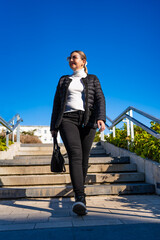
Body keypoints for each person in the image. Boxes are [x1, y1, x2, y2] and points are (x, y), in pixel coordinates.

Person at [50, 50, 106, 216]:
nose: (71, 60)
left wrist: (101, 118)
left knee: (83, 158)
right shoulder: (63, 80)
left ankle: (81, 197)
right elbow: (56, 104)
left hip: (88, 120)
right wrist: (53, 126)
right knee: (75, 154)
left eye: (74, 57)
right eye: (70, 58)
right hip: (67, 119)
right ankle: (79, 197)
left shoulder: (93, 79)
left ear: (84, 61)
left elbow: (100, 99)